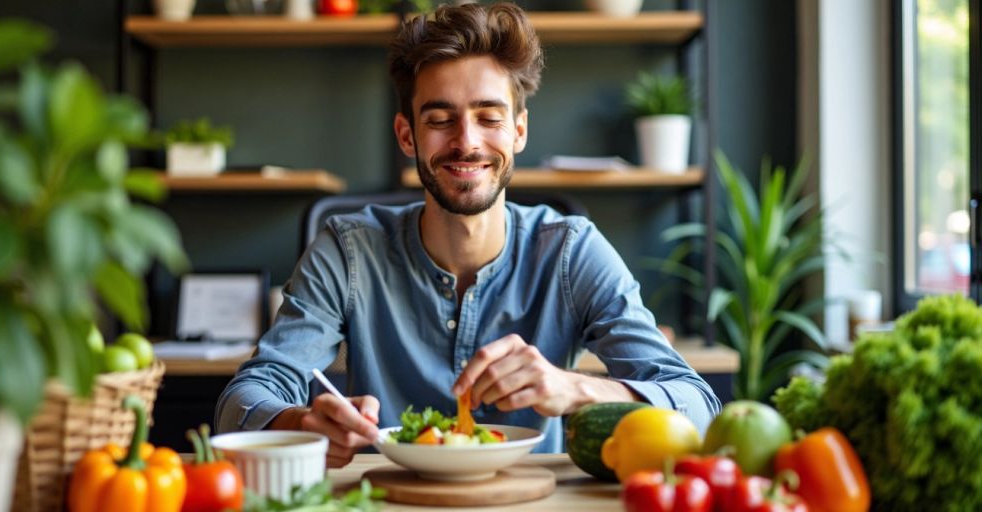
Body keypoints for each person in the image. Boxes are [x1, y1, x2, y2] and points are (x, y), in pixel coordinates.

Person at [216, 1, 720, 468]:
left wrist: (574, 388)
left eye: (489, 117)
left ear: (518, 131)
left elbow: (698, 406)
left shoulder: (571, 250)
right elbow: (243, 401)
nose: (466, 142)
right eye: (440, 119)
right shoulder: (347, 251)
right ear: (407, 135)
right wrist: (301, 424)